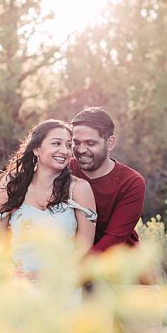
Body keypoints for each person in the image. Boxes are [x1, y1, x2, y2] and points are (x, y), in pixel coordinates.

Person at [0, 119, 98, 279]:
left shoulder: (79, 189)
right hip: (17, 284)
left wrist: (47, 276)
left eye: (68, 145)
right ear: (37, 149)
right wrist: (7, 271)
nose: (65, 151)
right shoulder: (12, 184)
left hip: (60, 283)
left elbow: (84, 248)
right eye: (56, 143)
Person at [69, 107, 145, 253]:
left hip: (121, 267)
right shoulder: (64, 169)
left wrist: (73, 272)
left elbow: (113, 240)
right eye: (76, 143)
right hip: (75, 262)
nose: (81, 150)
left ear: (110, 143)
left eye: (90, 143)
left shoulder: (131, 182)